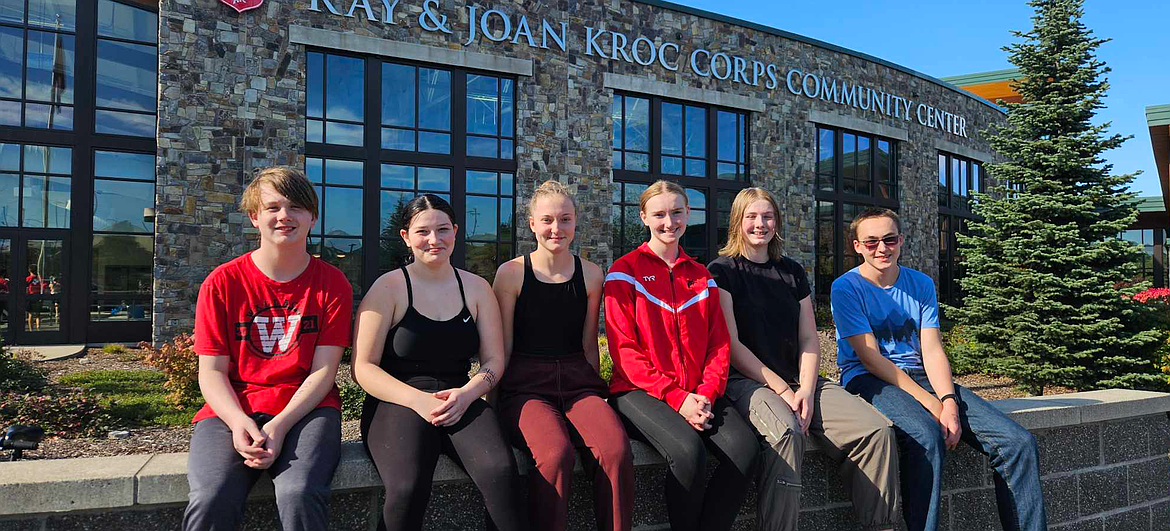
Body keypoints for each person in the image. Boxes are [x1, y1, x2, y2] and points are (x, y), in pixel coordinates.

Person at [831, 207, 1046, 531]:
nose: (882, 248)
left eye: (889, 239)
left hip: (920, 376)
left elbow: (931, 350)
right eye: (871, 241)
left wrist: (947, 401)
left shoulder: (920, 284)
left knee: (1017, 444)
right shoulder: (846, 288)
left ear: (901, 240)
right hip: (868, 378)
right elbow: (871, 358)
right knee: (925, 435)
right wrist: (933, 405)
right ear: (857, 246)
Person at [707, 188, 899, 531]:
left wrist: (807, 391)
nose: (760, 224)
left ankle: (880, 524)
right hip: (746, 382)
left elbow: (809, 338)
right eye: (751, 216)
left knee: (877, 430)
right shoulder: (722, 271)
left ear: (776, 222)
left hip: (800, 380)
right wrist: (782, 390)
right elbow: (732, 345)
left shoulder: (792, 271)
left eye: (767, 216)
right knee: (786, 432)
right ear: (737, 222)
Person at [184, 167, 353, 531]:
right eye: (273, 207)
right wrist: (238, 421)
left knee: (299, 492)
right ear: (254, 217)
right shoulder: (222, 283)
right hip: (232, 406)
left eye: (296, 207)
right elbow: (211, 372)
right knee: (211, 496)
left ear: (312, 217)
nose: (284, 216)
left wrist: (279, 425)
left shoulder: (332, 283)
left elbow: (324, 370)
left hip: (306, 408)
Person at [353, 194, 527, 531]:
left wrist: (468, 393)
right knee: (407, 488)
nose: (435, 240)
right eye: (423, 232)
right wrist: (418, 401)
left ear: (456, 231)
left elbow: (493, 360)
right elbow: (364, 367)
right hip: (398, 399)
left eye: (443, 230)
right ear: (405, 236)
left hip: (460, 396)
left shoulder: (476, 288)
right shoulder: (388, 288)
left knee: (501, 473)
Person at [604, 180, 757, 531]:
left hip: (700, 393)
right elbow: (624, 350)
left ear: (688, 214)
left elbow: (719, 345)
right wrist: (677, 398)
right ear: (643, 217)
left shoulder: (703, 276)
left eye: (676, 212)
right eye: (659, 214)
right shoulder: (623, 272)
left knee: (745, 452)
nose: (668, 222)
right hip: (638, 393)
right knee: (689, 452)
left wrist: (705, 393)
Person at [493, 180, 634, 531]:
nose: (557, 229)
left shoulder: (591, 274)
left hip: (576, 382)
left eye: (565, 219)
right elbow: (502, 347)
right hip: (525, 386)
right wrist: (493, 405)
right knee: (556, 454)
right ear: (531, 224)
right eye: (547, 220)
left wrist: (597, 399)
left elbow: (589, 344)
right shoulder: (511, 274)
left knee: (615, 450)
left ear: (575, 222)